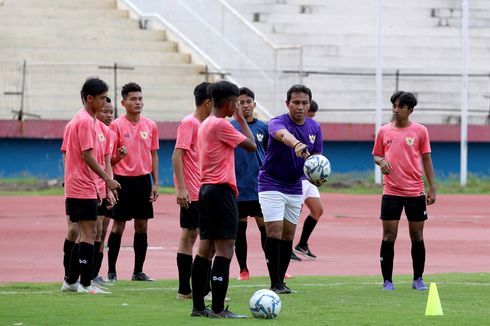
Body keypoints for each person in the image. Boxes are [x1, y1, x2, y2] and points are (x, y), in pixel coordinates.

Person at [190, 80, 256, 318]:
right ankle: (218, 308)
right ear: (230, 104)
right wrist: (240, 120)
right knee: (226, 249)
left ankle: (198, 307)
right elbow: (251, 145)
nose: (238, 107)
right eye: (236, 103)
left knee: (205, 249)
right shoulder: (222, 125)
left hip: (206, 190)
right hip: (221, 191)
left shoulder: (206, 122)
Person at [258, 84, 324, 294]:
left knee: (288, 234)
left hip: (295, 185)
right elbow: (283, 135)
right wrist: (296, 144)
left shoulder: (314, 128)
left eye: (304, 103)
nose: (300, 107)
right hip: (271, 183)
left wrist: (317, 177)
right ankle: (274, 282)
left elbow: (316, 159)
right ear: (287, 104)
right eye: (295, 103)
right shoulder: (277, 122)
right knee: (274, 230)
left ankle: (281, 283)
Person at [60, 77, 120, 293]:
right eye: (102, 99)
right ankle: (85, 284)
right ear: (89, 98)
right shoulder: (85, 121)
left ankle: (70, 281)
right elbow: (87, 156)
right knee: (88, 232)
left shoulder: (86, 120)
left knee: (86, 231)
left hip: (83, 184)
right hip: (81, 185)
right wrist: (107, 179)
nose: (105, 104)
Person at [372, 91, 436, 291]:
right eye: (394, 106)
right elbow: (376, 155)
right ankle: (387, 281)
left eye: (400, 107)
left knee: (417, 236)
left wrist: (432, 188)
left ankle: (418, 279)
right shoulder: (384, 131)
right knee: (388, 236)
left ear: (410, 109)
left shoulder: (420, 131)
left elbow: (426, 159)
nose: (396, 110)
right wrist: (381, 161)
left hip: (415, 192)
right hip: (391, 192)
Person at [107, 82, 159, 282]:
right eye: (133, 99)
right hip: (121, 182)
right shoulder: (116, 126)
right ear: (123, 102)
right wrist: (111, 179)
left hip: (143, 182)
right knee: (118, 226)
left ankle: (138, 271)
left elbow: (154, 155)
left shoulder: (150, 125)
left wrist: (155, 183)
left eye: (140, 98)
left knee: (142, 226)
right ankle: (111, 271)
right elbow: (108, 159)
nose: (138, 102)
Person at [172, 82, 212, 299]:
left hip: (203, 190)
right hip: (193, 191)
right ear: (208, 102)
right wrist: (181, 189)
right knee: (190, 236)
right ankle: (187, 290)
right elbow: (177, 155)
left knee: (195, 235)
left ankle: (191, 289)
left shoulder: (204, 124)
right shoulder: (190, 123)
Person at [231, 87, 268, 281]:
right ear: (236, 104)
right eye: (241, 102)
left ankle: (274, 267)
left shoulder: (264, 127)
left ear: (254, 104)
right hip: (238, 188)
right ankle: (243, 270)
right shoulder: (230, 126)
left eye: (248, 102)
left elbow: (269, 155)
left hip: (259, 187)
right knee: (240, 231)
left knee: (267, 230)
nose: (245, 106)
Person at [92, 97, 127, 285]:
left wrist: (110, 188)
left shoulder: (110, 133)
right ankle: (82, 274)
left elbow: (107, 164)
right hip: (89, 187)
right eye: (105, 111)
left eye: (111, 112)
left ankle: (95, 273)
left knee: (102, 230)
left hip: (104, 187)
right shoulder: (88, 128)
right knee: (91, 230)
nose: (109, 115)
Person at [294, 100, 324, 260]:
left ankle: (302, 244)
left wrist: (318, 170)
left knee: (318, 210)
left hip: (308, 178)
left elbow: (317, 153)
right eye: (309, 115)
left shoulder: (314, 127)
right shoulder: (293, 128)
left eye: (313, 115)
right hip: (296, 179)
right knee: (293, 215)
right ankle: (286, 247)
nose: (311, 118)